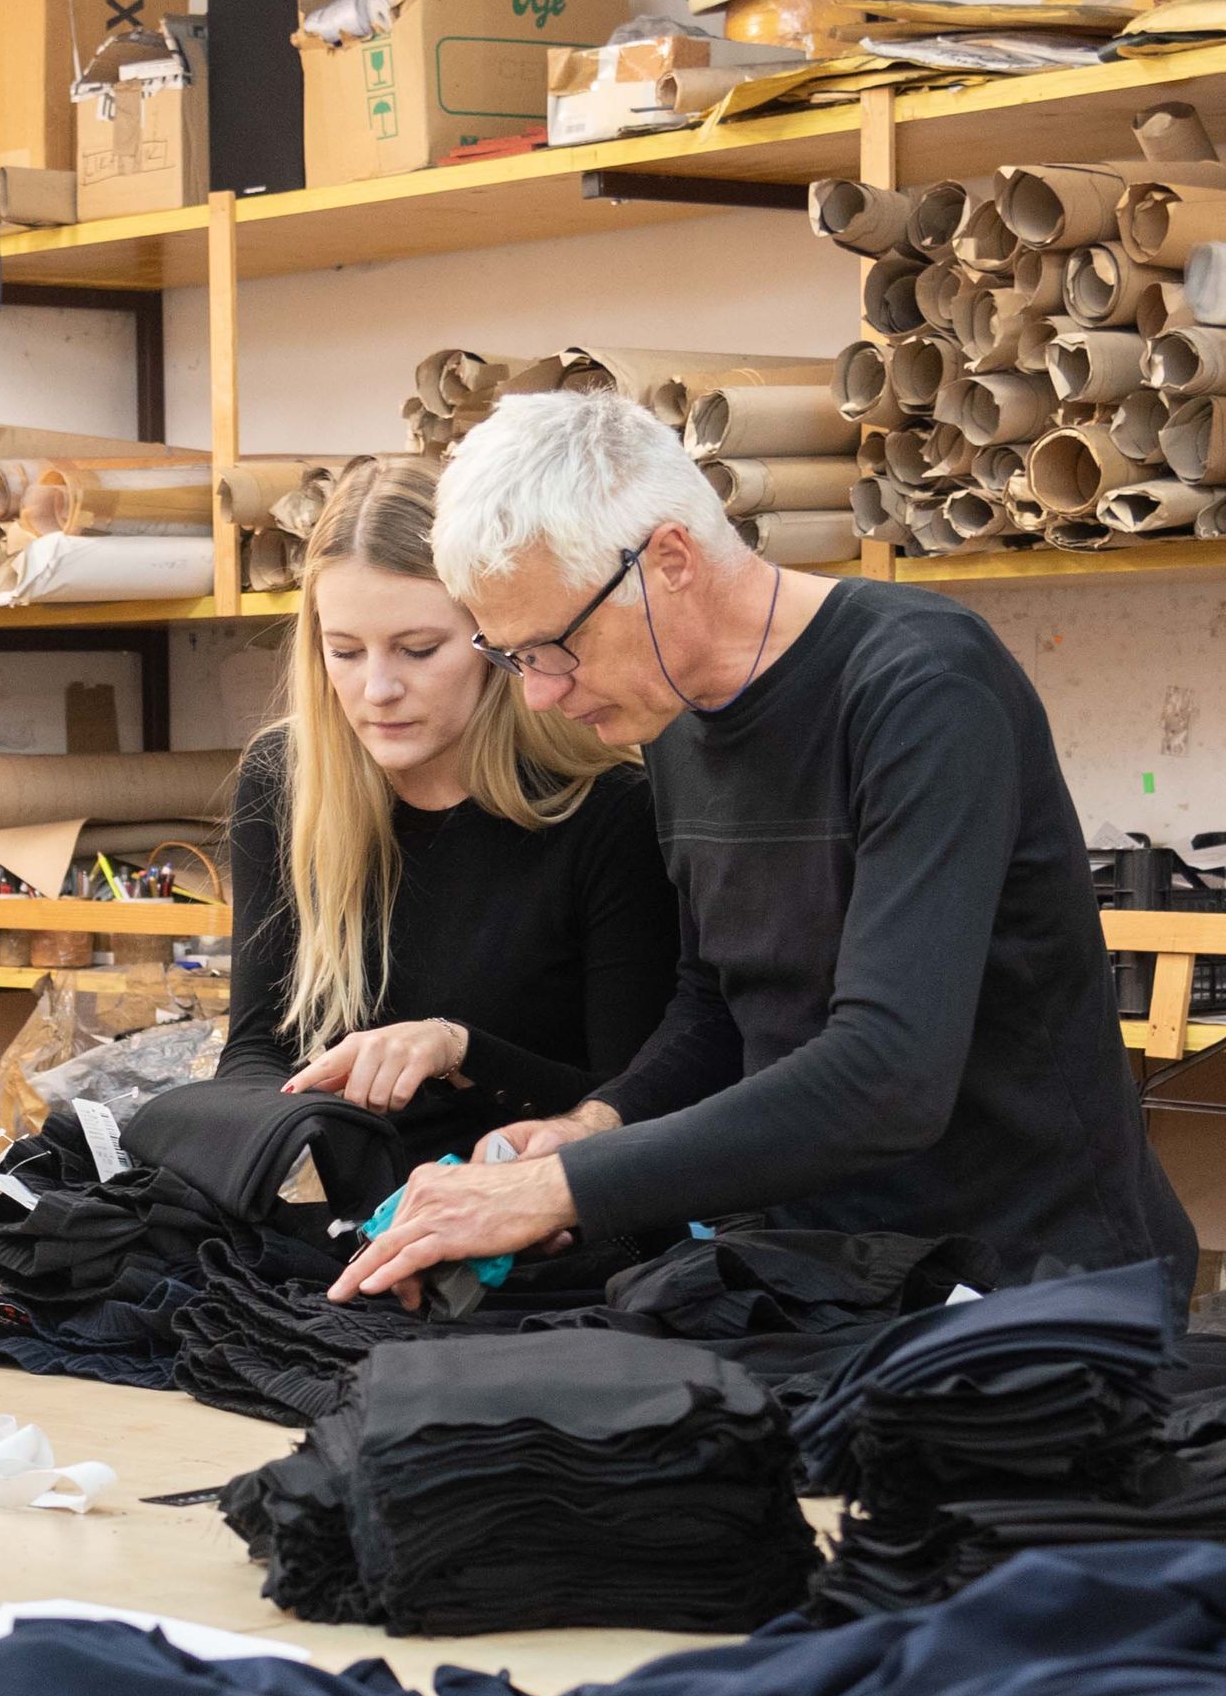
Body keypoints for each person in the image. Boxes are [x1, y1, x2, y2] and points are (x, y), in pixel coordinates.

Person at [329, 391, 1195, 1308]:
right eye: (514, 657)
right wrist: (593, 1127)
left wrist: (557, 1189)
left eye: (555, 647)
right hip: (825, 1263)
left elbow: (889, 1076)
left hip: (1029, 1272)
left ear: (669, 560)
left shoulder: (922, 689)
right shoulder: (672, 716)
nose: (541, 694)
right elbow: (718, 1006)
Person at [218, 454, 680, 1166]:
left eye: (418, 650)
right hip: (339, 1202)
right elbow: (254, 1048)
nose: (378, 690)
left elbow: (630, 1110)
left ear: (498, 637)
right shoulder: (286, 779)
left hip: (520, 1207)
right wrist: (289, 1149)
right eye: (345, 652)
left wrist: (458, 1051)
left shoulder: (611, 814)